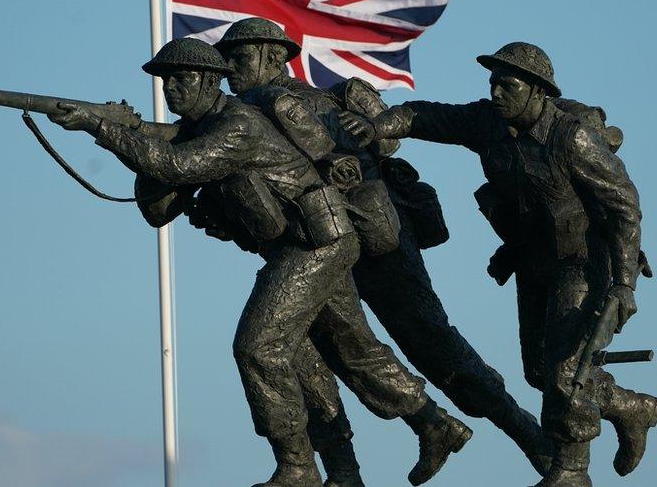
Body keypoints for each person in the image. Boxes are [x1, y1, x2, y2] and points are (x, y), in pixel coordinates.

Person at [46, 38, 470, 487]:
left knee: (258, 347)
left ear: (211, 81)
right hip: (303, 247)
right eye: (165, 80)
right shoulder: (196, 131)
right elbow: (158, 209)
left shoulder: (237, 124)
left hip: (317, 243)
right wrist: (135, 134)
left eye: (181, 78)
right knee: (341, 356)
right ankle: (430, 427)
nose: (171, 88)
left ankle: (298, 467)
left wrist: (102, 128)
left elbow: (178, 168)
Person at [212, 18, 553, 477]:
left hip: (377, 240)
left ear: (275, 57)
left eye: (240, 56)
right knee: (304, 353)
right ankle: (342, 472)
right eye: (226, 56)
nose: (228, 66)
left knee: (432, 344)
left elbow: (356, 161)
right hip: (317, 249)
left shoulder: (299, 105)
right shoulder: (239, 114)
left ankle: (532, 440)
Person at [340, 42, 657, 487]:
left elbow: (624, 204)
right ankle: (632, 408)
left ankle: (571, 472)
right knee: (539, 372)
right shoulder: (486, 123)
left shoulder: (572, 138)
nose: (495, 92)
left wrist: (624, 284)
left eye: (506, 85)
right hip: (533, 259)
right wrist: (377, 127)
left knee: (566, 373)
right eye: (492, 83)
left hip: (583, 260)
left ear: (537, 91)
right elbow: (420, 115)